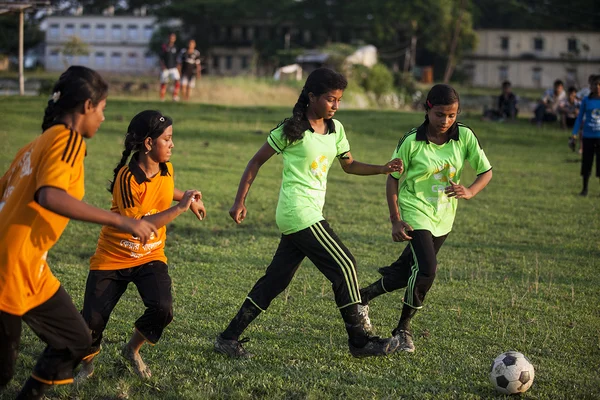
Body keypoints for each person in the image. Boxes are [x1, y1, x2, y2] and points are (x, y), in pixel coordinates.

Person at [214, 68, 404, 359]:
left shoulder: (336, 130)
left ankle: (228, 338)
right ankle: (360, 341)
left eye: (339, 100)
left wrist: (382, 168)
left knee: (275, 281)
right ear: (312, 96)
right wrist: (239, 201)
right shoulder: (291, 129)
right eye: (330, 99)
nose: (335, 106)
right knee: (345, 265)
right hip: (297, 211)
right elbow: (255, 162)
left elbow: (349, 164)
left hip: (308, 213)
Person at [0, 66, 157, 400]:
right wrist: (123, 221)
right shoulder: (67, 138)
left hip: (29, 269)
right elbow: (51, 196)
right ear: (87, 106)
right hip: (8, 268)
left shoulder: (33, 145)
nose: (102, 118)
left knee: (75, 339)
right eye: (101, 109)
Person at [357, 84, 493, 353]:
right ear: (427, 110)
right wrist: (395, 219)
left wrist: (469, 191)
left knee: (408, 273)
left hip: (443, 216)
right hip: (414, 211)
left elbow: (485, 172)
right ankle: (403, 329)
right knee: (428, 269)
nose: (446, 121)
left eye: (452, 115)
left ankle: (363, 297)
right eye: (440, 115)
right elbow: (392, 180)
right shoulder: (411, 141)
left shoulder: (464, 136)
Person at [75, 110, 206, 380]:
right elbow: (138, 228)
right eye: (167, 139)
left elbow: (164, 188)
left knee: (163, 308)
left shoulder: (166, 168)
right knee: (91, 325)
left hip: (150, 256)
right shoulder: (128, 178)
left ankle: (132, 349)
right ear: (148, 144)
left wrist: (188, 198)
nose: (172, 144)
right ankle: (87, 364)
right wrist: (180, 208)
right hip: (113, 257)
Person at [571, 75, 600, 196]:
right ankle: (584, 189)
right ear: (591, 86)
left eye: (599, 84)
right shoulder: (586, 101)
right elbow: (579, 119)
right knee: (586, 163)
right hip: (588, 136)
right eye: (595, 84)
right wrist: (574, 134)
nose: (597, 87)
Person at [159, 33, 180, 102]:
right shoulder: (164, 46)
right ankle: (162, 98)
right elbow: (161, 57)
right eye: (171, 37)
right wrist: (162, 65)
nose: (172, 39)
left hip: (173, 67)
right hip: (166, 67)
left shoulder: (175, 47)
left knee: (177, 80)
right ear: (169, 38)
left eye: (173, 38)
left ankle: (175, 96)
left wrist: (178, 66)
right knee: (164, 82)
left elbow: (177, 58)